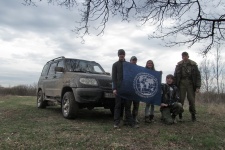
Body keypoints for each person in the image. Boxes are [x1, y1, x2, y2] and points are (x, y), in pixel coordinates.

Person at [112, 49, 138, 128]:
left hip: (127, 88)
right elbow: (114, 77)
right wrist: (114, 88)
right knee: (118, 106)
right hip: (119, 88)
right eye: (120, 54)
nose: (121, 55)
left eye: (123, 54)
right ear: (118, 55)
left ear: (124, 55)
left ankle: (131, 122)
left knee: (127, 106)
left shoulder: (128, 64)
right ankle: (116, 122)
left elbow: (134, 73)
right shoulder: (115, 64)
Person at [174, 52, 201, 122]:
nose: (184, 57)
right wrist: (174, 85)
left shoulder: (193, 65)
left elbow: (198, 76)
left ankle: (193, 114)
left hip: (190, 83)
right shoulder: (179, 65)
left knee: (191, 100)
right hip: (181, 83)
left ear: (188, 56)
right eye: (183, 56)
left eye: (185, 56)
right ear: (182, 57)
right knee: (180, 100)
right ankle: (180, 114)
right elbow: (175, 76)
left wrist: (198, 86)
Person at [129, 56, 140, 123]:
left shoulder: (138, 68)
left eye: (135, 60)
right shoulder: (127, 67)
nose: (134, 61)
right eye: (133, 60)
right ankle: (127, 118)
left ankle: (134, 117)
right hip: (129, 90)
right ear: (130, 60)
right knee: (128, 105)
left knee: (136, 105)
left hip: (136, 90)